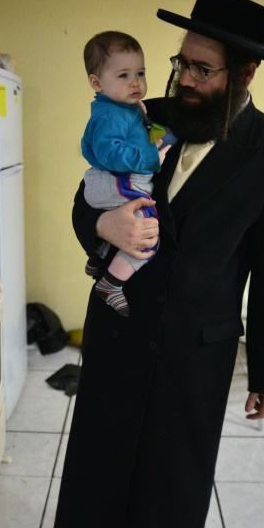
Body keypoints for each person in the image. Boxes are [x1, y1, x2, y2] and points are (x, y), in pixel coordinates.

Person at [54, 0, 264, 528]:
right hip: (120, 329)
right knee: (100, 481)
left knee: (168, 495)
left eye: (202, 68)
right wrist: (103, 227)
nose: (185, 79)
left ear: (245, 73)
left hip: (196, 352)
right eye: (180, 62)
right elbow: (86, 199)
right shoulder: (143, 115)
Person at [79, 31, 173, 317]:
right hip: (117, 181)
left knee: (130, 225)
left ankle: (99, 259)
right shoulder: (110, 115)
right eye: (123, 75)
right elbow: (111, 153)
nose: (135, 82)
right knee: (146, 234)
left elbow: (139, 133)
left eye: (140, 72)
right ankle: (111, 284)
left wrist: (165, 138)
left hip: (112, 182)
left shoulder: (124, 108)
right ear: (97, 82)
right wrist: (150, 156)